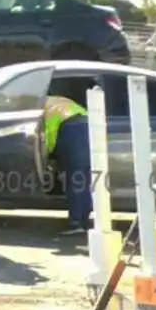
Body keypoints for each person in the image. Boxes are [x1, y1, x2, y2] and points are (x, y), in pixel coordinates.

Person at [41, 94, 91, 236]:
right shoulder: (58, 100)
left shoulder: (41, 107)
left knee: (75, 178)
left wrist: (50, 155)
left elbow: (49, 134)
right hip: (88, 124)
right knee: (83, 177)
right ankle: (83, 220)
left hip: (71, 129)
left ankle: (76, 223)